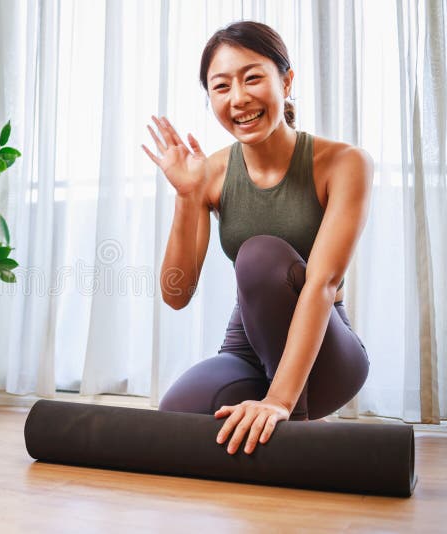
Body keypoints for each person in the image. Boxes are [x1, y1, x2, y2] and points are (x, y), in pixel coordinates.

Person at [142, 21, 371, 456]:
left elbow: (321, 284)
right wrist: (187, 198)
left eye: (252, 78)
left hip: (326, 352)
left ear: (286, 80)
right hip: (247, 348)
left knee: (260, 254)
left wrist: (280, 400)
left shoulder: (343, 163)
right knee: (177, 417)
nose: (239, 98)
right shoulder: (209, 172)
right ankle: (275, 427)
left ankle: (294, 429)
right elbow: (176, 295)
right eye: (221, 86)